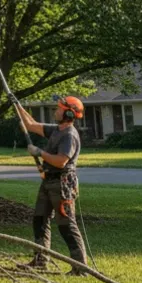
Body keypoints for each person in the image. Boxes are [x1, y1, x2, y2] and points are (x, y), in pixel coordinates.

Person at [15, 96, 89, 273]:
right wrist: (17, 104)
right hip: (48, 181)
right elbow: (31, 125)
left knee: (66, 225)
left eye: (59, 109)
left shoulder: (69, 135)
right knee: (39, 219)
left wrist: (39, 152)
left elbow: (61, 161)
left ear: (68, 113)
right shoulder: (56, 130)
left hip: (62, 184)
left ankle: (80, 267)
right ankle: (41, 260)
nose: (55, 111)